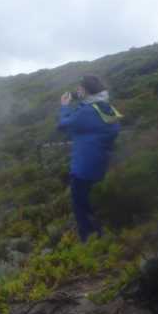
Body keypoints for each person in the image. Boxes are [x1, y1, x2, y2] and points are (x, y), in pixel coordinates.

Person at [58, 74, 122, 242]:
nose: (77, 90)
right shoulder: (106, 108)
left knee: (82, 210)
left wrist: (65, 106)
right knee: (99, 205)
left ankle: (91, 243)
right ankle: (109, 237)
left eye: (80, 88)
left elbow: (63, 125)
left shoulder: (86, 112)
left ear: (85, 90)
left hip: (83, 170)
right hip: (103, 165)